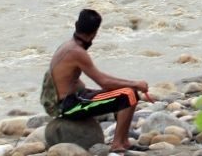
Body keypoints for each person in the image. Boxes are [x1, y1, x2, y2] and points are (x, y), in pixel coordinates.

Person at [42, 9, 148, 153]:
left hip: (72, 99)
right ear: (94, 33)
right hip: (69, 105)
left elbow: (69, 79)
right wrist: (136, 84)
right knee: (128, 94)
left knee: (128, 93)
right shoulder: (77, 52)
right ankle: (117, 144)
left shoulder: (67, 46)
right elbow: (103, 81)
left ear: (76, 25)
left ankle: (125, 142)